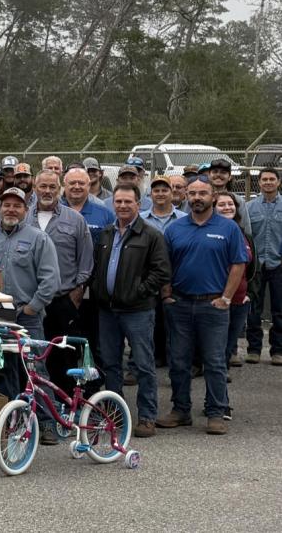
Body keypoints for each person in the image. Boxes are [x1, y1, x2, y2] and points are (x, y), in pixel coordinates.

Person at [157, 178, 247, 435]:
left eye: (203, 193)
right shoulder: (175, 229)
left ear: (213, 196)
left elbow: (238, 264)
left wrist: (227, 298)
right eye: (193, 192)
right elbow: (165, 265)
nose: (197, 197)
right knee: (179, 360)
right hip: (180, 304)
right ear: (186, 195)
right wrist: (166, 296)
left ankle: (216, 412)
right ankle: (180, 410)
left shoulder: (228, 228)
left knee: (215, 361)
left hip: (213, 305)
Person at [0, 187, 62, 441]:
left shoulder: (39, 239)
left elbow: (50, 279)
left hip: (27, 316)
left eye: (17, 205)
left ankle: (47, 423)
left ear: (26, 210)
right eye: (6, 205)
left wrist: (32, 307)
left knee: (35, 368)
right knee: (3, 369)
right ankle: (13, 419)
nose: (11, 209)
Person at [93, 184, 171, 438]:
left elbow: (161, 272)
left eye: (128, 201)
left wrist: (137, 292)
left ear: (139, 204)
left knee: (144, 365)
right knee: (111, 364)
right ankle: (114, 414)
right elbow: (97, 267)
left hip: (137, 310)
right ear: (113, 204)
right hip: (108, 311)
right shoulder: (105, 234)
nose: (123, 206)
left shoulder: (151, 235)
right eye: (118, 201)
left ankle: (147, 417)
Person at [29, 169, 95, 392]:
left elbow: (86, 259)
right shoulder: (24, 218)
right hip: (31, 302)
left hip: (63, 301)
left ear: (60, 189)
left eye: (52, 187)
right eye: (43, 186)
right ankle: (37, 409)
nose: (47, 191)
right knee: (32, 357)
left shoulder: (75, 220)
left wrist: (76, 294)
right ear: (35, 188)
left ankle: (66, 411)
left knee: (64, 358)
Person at [214, 192, 255, 380]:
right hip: (216, 297)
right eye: (221, 204)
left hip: (239, 299)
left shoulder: (243, 234)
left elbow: (253, 267)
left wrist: (249, 294)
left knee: (230, 341)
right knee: (214, 340)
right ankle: (212, 371)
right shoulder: (211, 233)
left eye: (230, 204)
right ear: (213, 208)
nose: (227, 207)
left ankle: (222, 370)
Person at [245, 167, 281, 364]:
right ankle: (254, 350)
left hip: (278, 264)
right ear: (259, 183)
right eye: (264, 179)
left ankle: (278, 351)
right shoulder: (250, 207)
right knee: (254, 309)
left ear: (278, 182)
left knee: (279, 309)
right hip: (256, 266)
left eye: (271, 179)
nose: (268, 182)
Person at [62, 166, 116, 247]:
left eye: (81, 183)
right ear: (64, 185)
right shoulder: (55, 212)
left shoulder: (105, 214)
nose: (77, 187)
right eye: (72, 183)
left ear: (89, 185)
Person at [205, 158, 251, 235]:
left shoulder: (238, 200)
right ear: (209, 175)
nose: (218, 175)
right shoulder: (202, 198)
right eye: (215, 172)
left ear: (230, 177)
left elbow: (246, 229)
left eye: (223, 172)